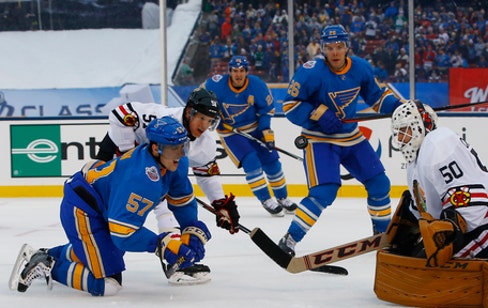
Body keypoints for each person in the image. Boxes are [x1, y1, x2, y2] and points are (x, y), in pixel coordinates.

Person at [11, 116, 214, 296]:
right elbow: (123, 233)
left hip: (104, 207)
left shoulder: (175, 162)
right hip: (83, 209)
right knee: (108, 284)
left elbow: (182, 201)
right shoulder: (141, 178)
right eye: (173, 149)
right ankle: (47, 265)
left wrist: (189, 229)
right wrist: (161, 246)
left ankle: (43, 253)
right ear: (155, 148)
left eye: (182, 147)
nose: (179, 154)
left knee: (107, 253)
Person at [389, 100, 488, 306]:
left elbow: (468, 201)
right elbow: (428, 210)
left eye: (404, 130)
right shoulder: (415, 161)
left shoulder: (439, 142)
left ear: (421, 125)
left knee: (429, 270)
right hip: (471, 226)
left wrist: (451, 234)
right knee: (416, 260)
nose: (399, 138)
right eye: (397, 132)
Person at [279, 24, 407, 256]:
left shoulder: (361, 68)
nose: (335, 52)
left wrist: (400, 107)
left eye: (339, 47)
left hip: (351, 138)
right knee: (324, 191)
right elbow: (289, 105)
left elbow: (376, 98)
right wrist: (318, 113)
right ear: (323, 49)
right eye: (330, 47)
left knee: (380, 184)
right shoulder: (310, 71)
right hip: (319, 140)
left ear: (347, 47)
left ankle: (381, 238)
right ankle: (289, 239)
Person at [96, 88, 240, 284]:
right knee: (103, 215)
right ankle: (172, 255)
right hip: (112, 161)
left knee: (169, 202)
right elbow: (120, 114)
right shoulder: (162, 116)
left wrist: (220, 202)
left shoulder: (205, 143)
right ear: (189, 111)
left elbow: (206, 173)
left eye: (210, 121)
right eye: (202, 118)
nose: (205, 126)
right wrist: (129, 155)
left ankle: (176, 258)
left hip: (156, 171)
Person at [203, 55, 297, 216]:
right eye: (234, 71)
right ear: (229, 71)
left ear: (246, 71)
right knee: (251, 160)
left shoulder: (257, 85)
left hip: (256, 128)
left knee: (272, 162)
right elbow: (201, 101)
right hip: (231, 133)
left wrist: (266, 132)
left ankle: (282, 197)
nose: (238, 74)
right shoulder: (216, 85)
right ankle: (266, 199)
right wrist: (214, 119)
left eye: (241, 71)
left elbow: (266, 111)